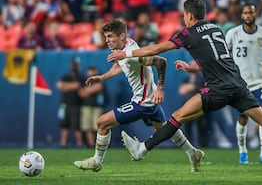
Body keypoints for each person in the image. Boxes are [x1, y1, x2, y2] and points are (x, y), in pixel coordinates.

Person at [115, 0, 262, 173]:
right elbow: (214, 57)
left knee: (177, 117)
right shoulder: (215, 28)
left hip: (217, 88)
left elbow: (157, 48)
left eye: (184, 16)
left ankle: (142, 149)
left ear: (189, 16)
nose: (184, 19)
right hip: (238, 85)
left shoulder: (187, 33)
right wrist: (192, 68)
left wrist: (126, 53)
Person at [74, 20, 204, 173]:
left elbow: (161, 61)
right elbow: (120, 65)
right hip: (150, 100)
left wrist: (160, 88)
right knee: (165, 129)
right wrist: (102, 77)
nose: (107, 40)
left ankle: (97, 160)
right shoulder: (124, 47)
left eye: (110, 36)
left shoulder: (132, 54)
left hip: (142, 102)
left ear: (122, 36)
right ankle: (192, 152)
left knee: (102, 123)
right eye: (106, 37)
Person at [225, 3, 262, 164]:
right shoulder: (233, 33)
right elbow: (224, 57)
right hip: (240, 84)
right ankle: (242, 151)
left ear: (256, 14)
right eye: (245, 13)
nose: (248, 15)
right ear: (241, 15)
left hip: (261, 82)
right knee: (243, 118)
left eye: (251, 12)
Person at [56, 58, 85, 148]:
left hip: (76, 104)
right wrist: (71, 86)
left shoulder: (81, 76)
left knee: (77, 125)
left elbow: (78, 86)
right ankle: (63, 144)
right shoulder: (66, 76)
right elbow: (59, 86)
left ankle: (79, 144)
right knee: (64, 125)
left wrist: (66, 86)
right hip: (65, 104)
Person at [78, 66, 105, 147]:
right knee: (87, 126)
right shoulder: (84, 81)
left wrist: (87, 90)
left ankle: (99, 143)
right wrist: (89, 90)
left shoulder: (100, 80)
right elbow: (81, 94)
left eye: (93, 70)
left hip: (97, 107)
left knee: (97, 126)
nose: (91, 72)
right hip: (86, 106)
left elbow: (98, 88)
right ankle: (91, 144)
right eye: (90, 70)